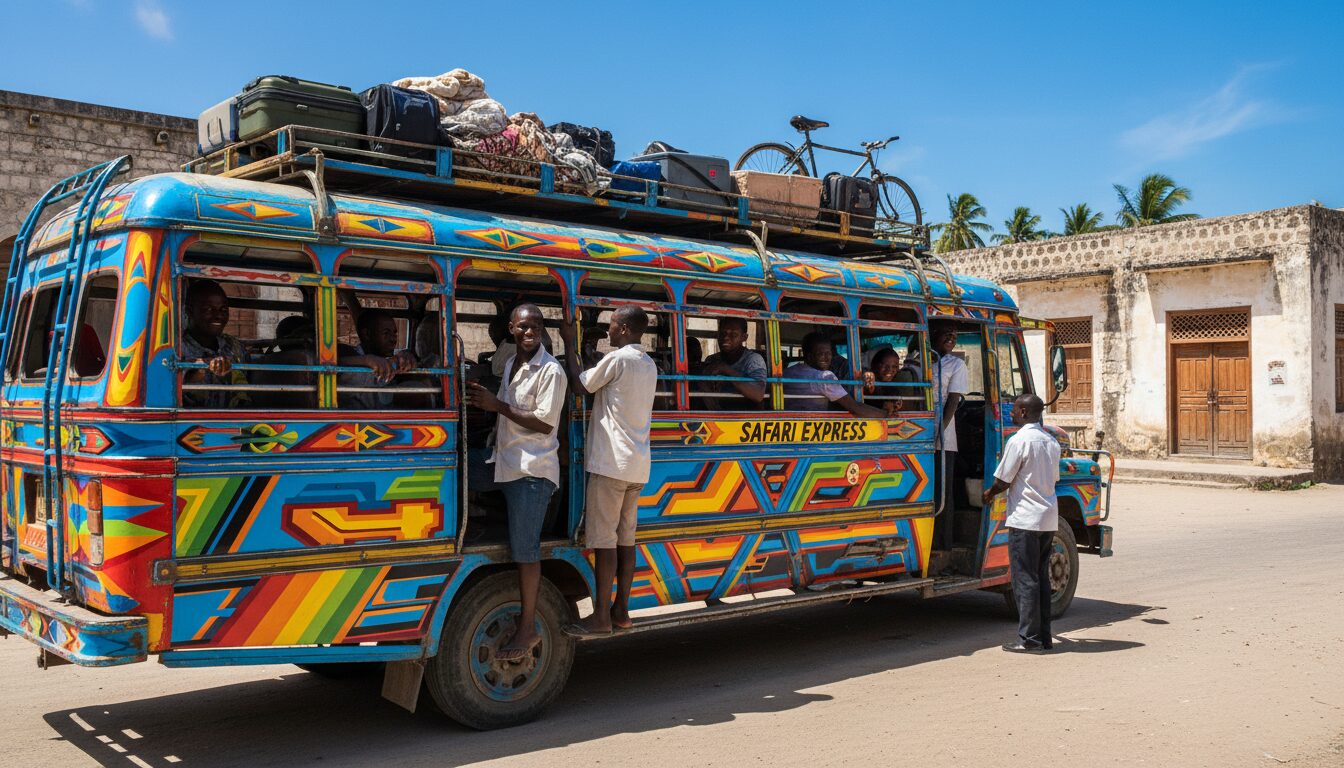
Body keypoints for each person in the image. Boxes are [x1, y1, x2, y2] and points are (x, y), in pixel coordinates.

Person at [464, 304, 567, 661]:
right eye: (524, 326)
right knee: (456, 469)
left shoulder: (551, 370)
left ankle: (529, 628)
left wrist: (497, 405)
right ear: (511, 329)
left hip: (532, 472)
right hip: (503, 462)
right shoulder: (510, 365)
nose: (530, 332)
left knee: (526, 552)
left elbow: (544, 423)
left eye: (536, 326)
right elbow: (501, 411)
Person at [557, 305, 658, 637]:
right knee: (626, 541)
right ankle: (621, 611)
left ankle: (600, 617)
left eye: (612, 326)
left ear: (626, 329)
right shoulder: (647, 363)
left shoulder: (618, 360)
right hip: (636, 466)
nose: (609, 331)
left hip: (610, 464)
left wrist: (569, 344)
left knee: (604, 544)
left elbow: (579, 386)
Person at [982, 393, 1061, 653]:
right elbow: (1053, 479)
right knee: (1041, 579)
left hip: (1025, 520)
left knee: (1025, 580)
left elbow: (1004, 479)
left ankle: (1030, 639)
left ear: (1025, 413)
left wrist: (988, 494)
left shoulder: (1019, 441)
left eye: (1014, 410)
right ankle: (1044, 637)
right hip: (1047, 519)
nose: (1011, 414)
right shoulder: (1051, 442)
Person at [181, 279, 250, 408]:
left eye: (223, 310)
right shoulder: (177, 348)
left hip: (234, 424)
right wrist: (197, 372)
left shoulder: (236, 347)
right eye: (208, 309)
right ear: (190, 311)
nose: (218, 316)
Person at [783, 332, 886, 417]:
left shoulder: (788, 372)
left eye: (829, 353)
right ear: (809, 356)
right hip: (817, 427)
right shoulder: (824, 377)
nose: (827, 358)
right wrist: (885, 415)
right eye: (821, 354)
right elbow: (855, 407)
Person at [931, 323, 968, 549]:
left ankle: (942, 545)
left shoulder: (956, 364)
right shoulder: (918, 359)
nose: (951, 338)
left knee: (942, 490)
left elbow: (953, 401)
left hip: (943, 436)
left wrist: (939, 433)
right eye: (947, 333)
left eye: (954, 335)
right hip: (919, 431)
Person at [338, 309, 417, 409]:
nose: (393, 339)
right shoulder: (351, 358)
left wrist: (405, 356)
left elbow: (404, 355)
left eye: (394, 333)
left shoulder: (386, 356)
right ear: (367, 334)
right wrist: (367, 360)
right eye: (386, 333)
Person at [700, 317, 767, 409]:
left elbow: (758, 395)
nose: (726, 337)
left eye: (733, 334)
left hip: (745, 416)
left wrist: (726, 369)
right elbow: (704, 387)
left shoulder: (753, 360)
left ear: (744, 337)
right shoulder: (712, 359)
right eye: (723, 333)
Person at [861, 347, 903, 416]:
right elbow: (869, 390)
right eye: (884, 365)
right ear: (874, 365)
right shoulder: (870, 381)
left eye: (894, 367)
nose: (889, 370)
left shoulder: (893, 388)